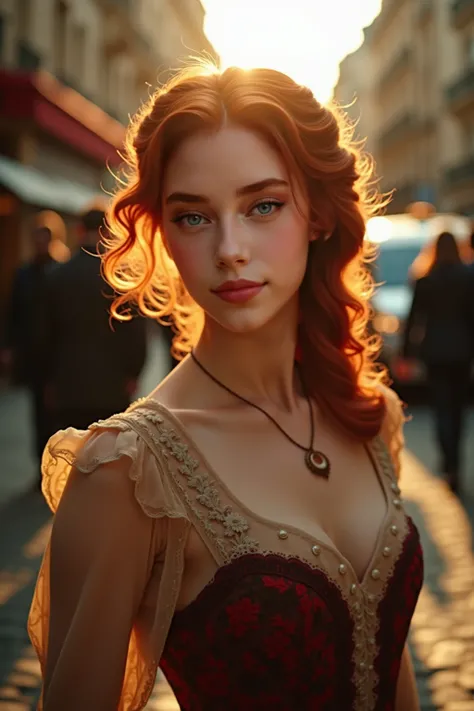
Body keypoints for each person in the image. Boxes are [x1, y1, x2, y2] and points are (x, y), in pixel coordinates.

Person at [28, 65, 423, 711]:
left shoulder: (368, 415)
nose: (231, 248)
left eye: (263, 205)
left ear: (319, 213)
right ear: (160, 232)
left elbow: (393, 669)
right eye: (193, 217)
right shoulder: (126, 473)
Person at [39, 208, 148, 432]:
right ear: (109, 232)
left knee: (71, 453)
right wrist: (134, 372)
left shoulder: (56, 276)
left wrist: (48, 380)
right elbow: (136, 332)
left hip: (68, 383)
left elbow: (44, 334)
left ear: (79, 231)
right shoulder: (122, 278)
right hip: (112, 385)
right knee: (109, 453)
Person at [402, 231, 473, 493]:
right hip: (462, 352)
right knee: (457, 410)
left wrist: (407, 354)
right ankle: (456, 464)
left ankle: (448, 465)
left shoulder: (425, 280)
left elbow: (413, 320)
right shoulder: (468, 277)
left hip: (434, 352)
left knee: (442, 407)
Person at [2, 225, 53, 470]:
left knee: (53, 410)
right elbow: (13, 312)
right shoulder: (23, 274)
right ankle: (40, 464)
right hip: (31, 352)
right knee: (38, 411)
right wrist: (9, 347)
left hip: (54, 354)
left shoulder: (56, 272)